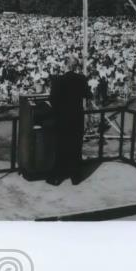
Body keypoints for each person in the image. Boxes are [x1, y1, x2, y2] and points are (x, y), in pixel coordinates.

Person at [48, 55, 92, 185]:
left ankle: (57, 177)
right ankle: (75, 177)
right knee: (76, 147)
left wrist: (58, 110)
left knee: (61, 147)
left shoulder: (58, 80)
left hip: (62, 118)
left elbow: (52, 99)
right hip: (77, 117)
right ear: (76, 66)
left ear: (65, 65)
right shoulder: (81, 78)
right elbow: (88, 95)